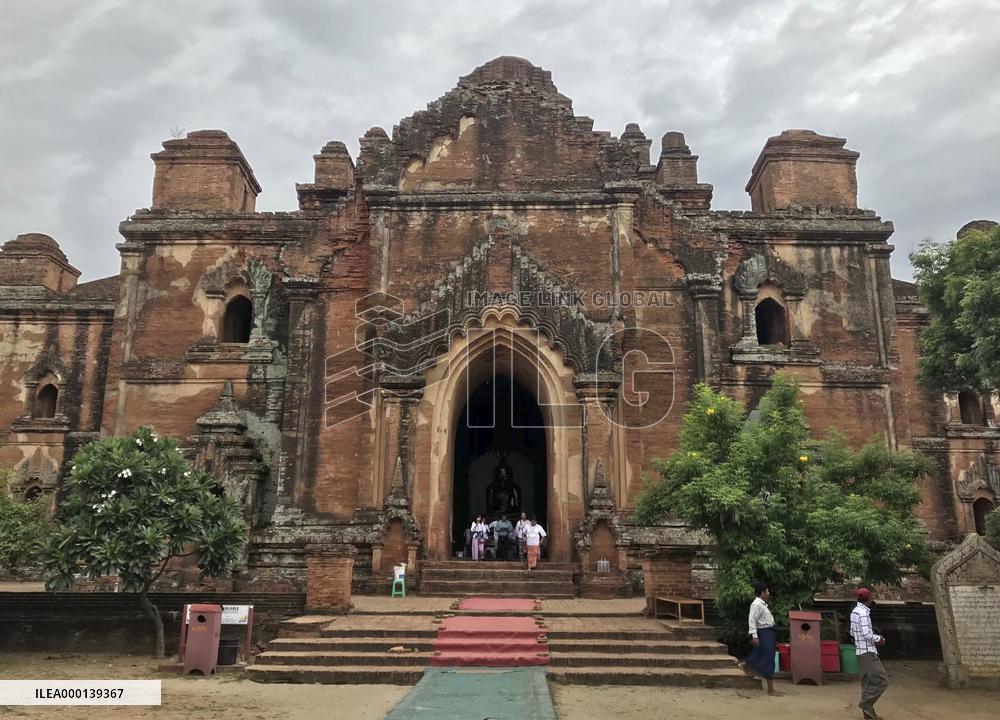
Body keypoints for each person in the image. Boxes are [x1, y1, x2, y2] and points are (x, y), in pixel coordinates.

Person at [738, 582, 784, 696]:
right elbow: (752, 620)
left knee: (762, 654)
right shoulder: (756, 604)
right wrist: (754, 636)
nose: (769, 593)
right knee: (768, 657)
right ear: (762, 592)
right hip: (763, 632)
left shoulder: (763, 605)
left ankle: (745, 664)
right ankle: (770, 689)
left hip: (769, 632)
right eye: (767, 591)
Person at [851, 587, 888, 720]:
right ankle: (865, 704)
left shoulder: (854, 612)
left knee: (867, 682)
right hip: (868, 651)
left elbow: (852, 632)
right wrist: (879, 638)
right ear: (869, 599)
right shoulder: (863, 613)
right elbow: (867, 634)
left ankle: (868, 714)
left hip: (860, 651)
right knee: (882, 680)